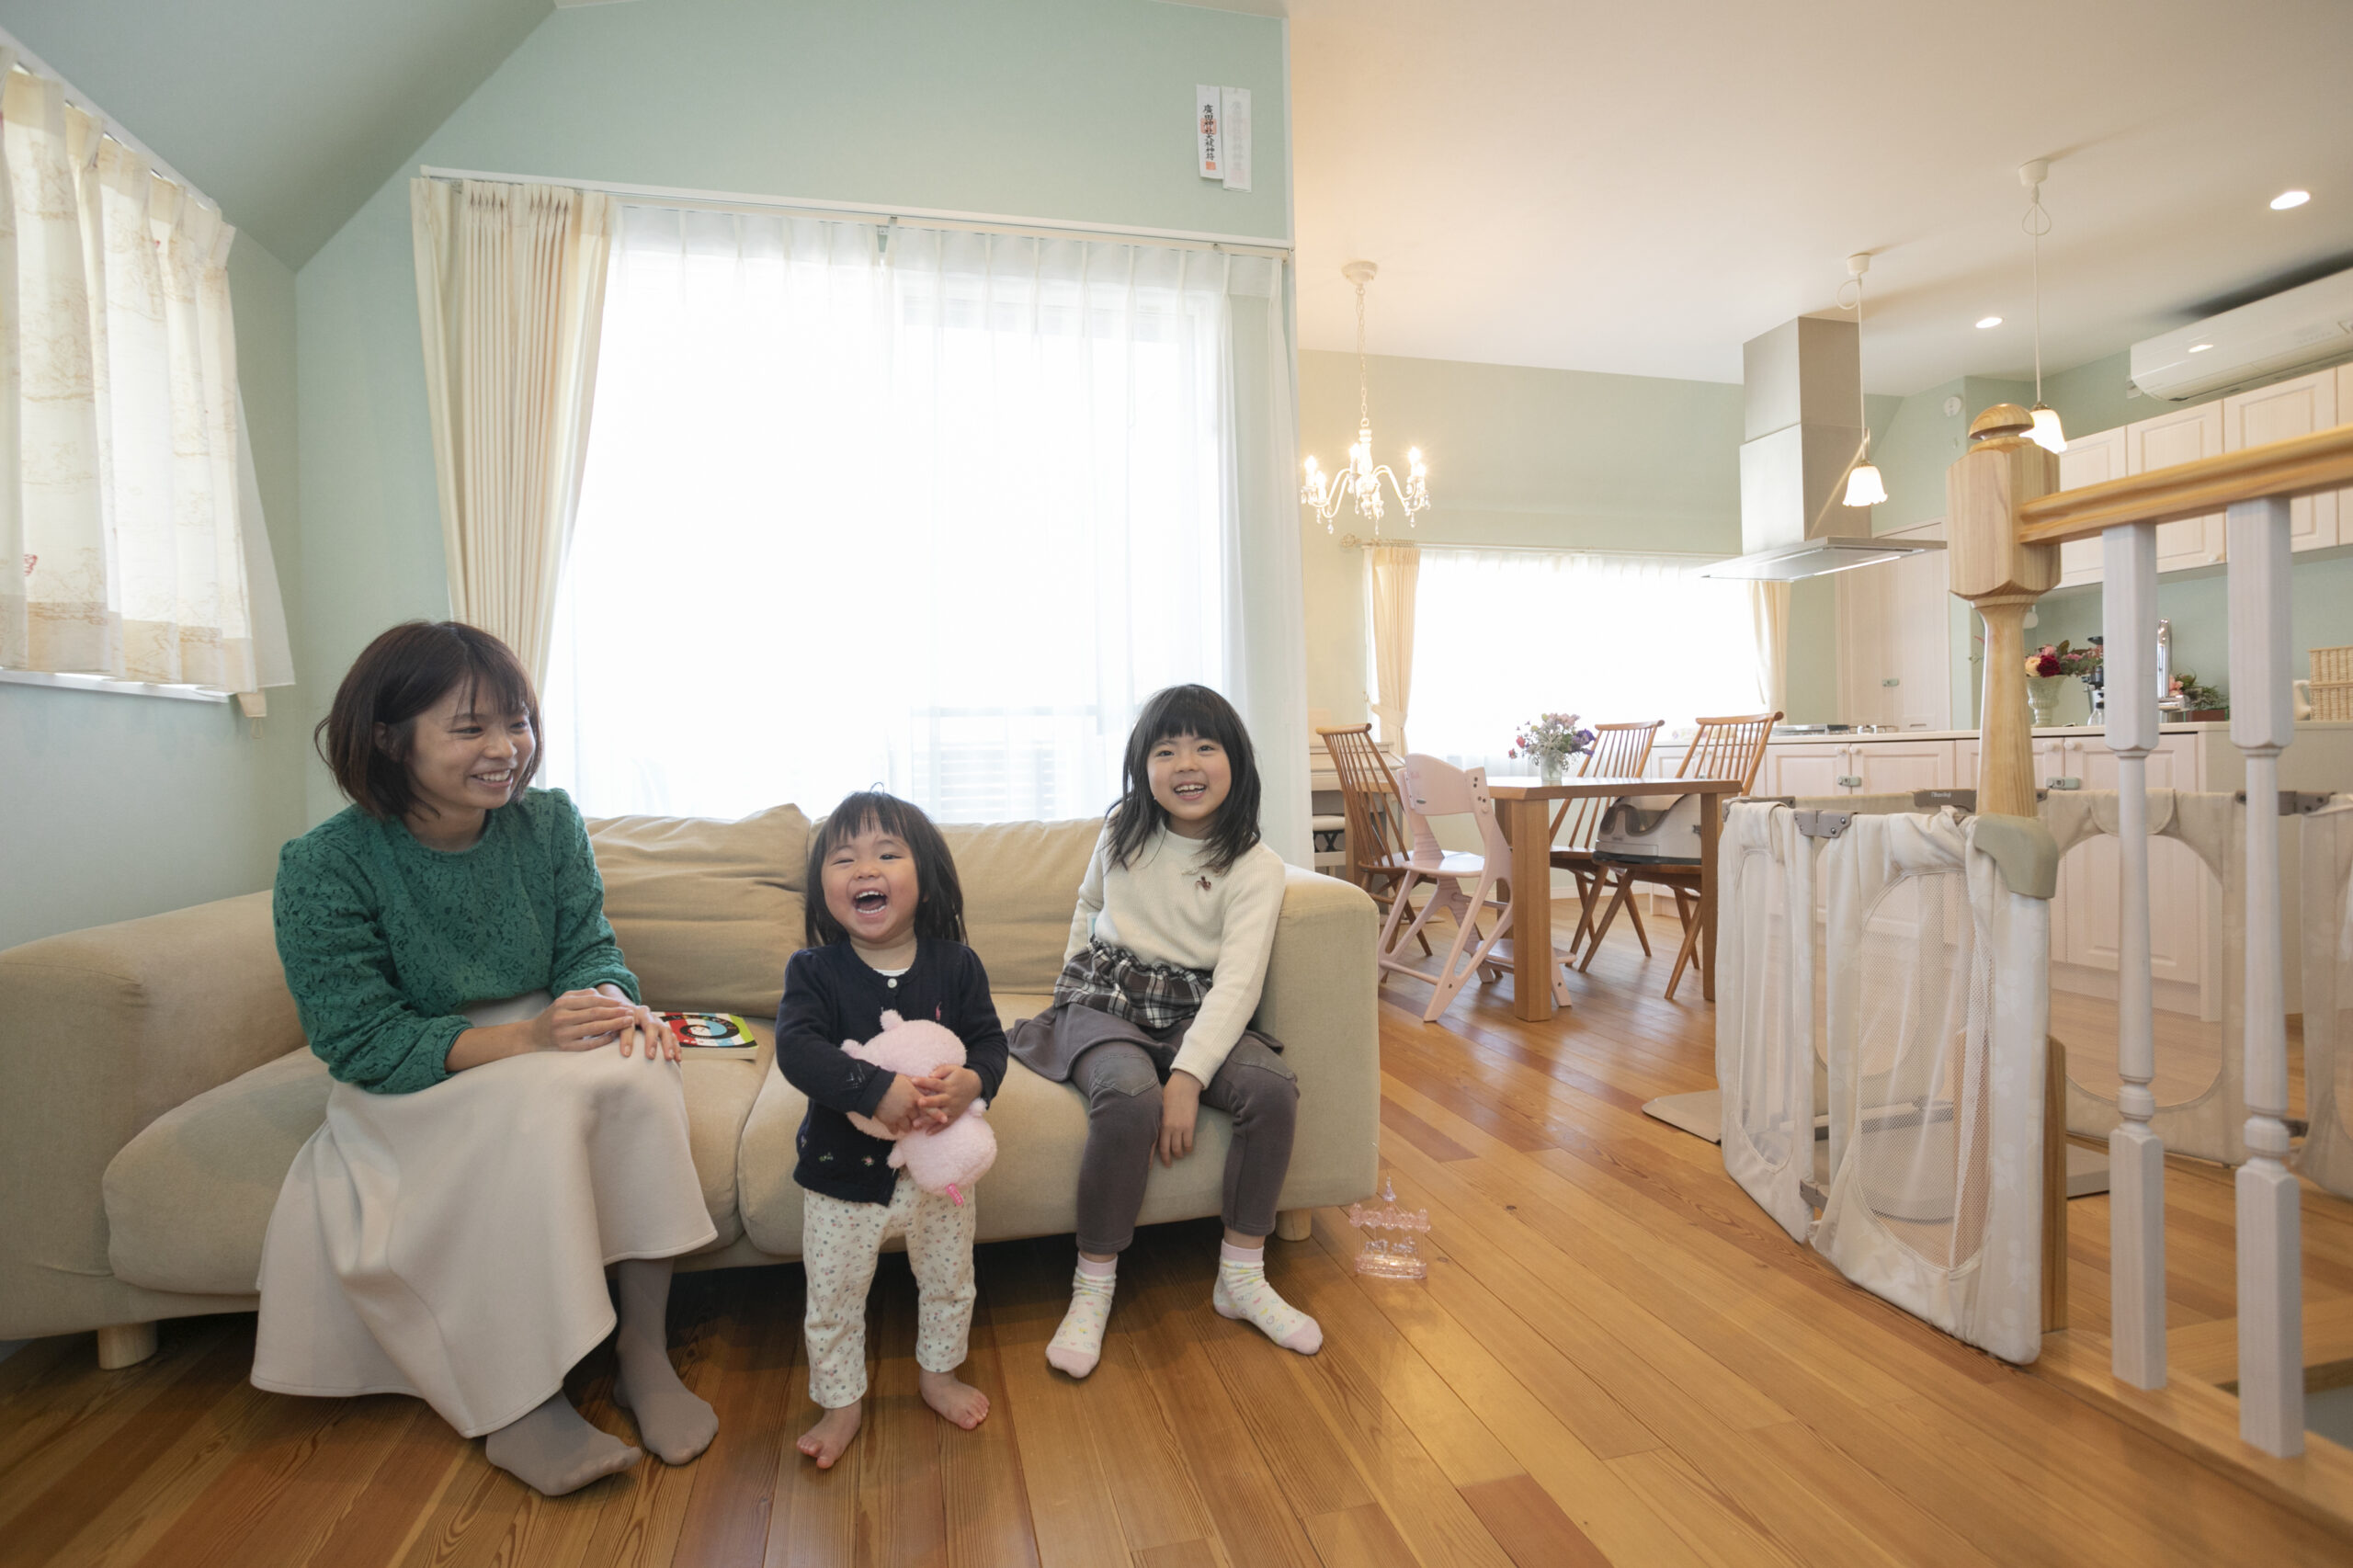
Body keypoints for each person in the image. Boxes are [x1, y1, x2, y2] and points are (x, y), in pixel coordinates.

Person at [252, 621, 719, 1496]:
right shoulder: (324, 865)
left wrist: (609, 1004)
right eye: (470, 728)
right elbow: (359, 1037)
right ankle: (519, 1401)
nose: (506, 749)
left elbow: (589, 947)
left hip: (539, 1032)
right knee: (536, 1109)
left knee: (643, 1066)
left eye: (517, 721)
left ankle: (643, 1351)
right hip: (422, 1068)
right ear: (389, 739)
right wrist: (526, 1041)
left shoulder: (550, 824)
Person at [1010, 684, 1318, 1378]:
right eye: (1166, 749)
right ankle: (1093, 1285)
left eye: (1205, 747)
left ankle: (1241, 1278)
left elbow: (1238, 983)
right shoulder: (1123, 829)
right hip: (1106, 996)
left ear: (1235, 761)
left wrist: (1188, 1076)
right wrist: (1072, 980)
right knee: (1128, 1097)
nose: (1186, 763)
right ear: (1142, 765)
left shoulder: (1256, 866)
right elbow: (1089, 903)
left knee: (1271, 1090)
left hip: (1192, 1004)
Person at [775, 791, 1007, 1469]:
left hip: (940, 1174)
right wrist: (874, 1090)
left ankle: (938, 1375)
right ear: (824, 889)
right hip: (841, 1180)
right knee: (835, 1298)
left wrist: (974, 1081)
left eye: (886, 853)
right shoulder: (813, 971)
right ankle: (841, 1403)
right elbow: (797, 1050)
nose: (864, 869)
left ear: (924, 878)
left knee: (950, 1280)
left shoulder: (957, 965)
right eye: (843, 859)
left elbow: (990, 1044)